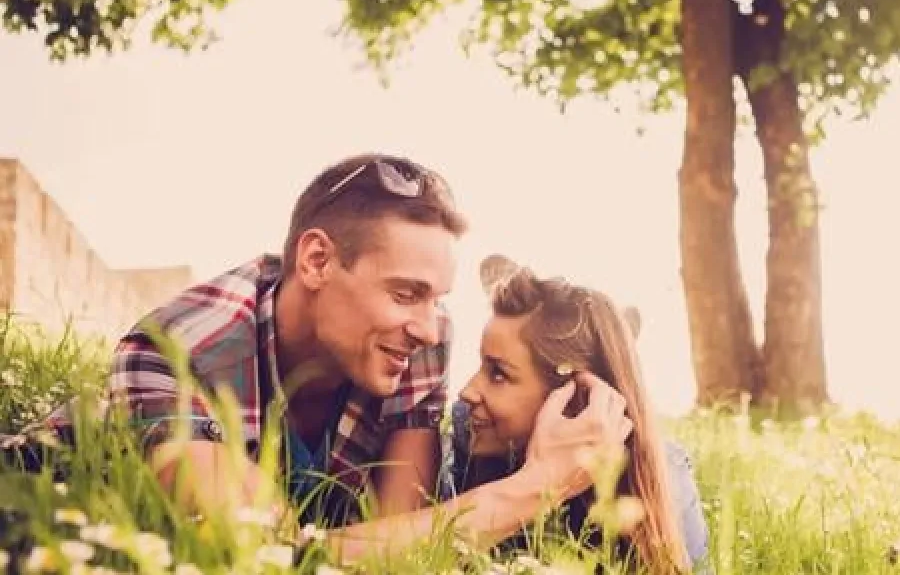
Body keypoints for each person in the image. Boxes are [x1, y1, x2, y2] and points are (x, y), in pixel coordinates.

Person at [17, 152, 633, 564]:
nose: (427, 326)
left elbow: (404, 550)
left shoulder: (414, 336)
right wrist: (536, 486)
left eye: (434, 299)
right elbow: (268, 558)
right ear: (315, 261)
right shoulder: (177, 352)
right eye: (404, 292)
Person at [440, 255, 709, 573]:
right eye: (481, 366)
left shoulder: (661, 473)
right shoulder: (467, 441)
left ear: (574, 397)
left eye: (498, 373)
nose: (466, 391)